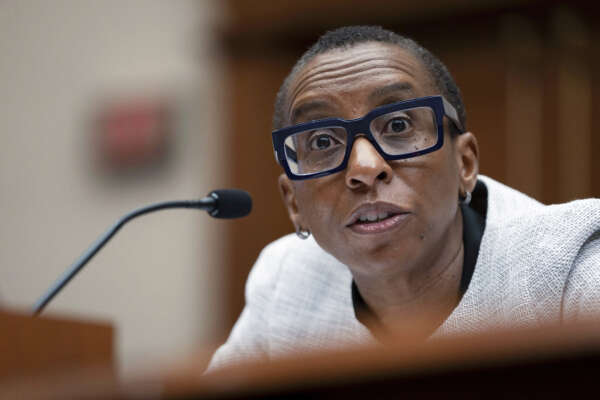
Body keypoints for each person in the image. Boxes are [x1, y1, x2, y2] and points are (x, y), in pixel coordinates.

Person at [208, 26, 600, 370]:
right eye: (323, 141)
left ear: (464, 163)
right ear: (294, 203)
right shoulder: (286, 282)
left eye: (398, 125)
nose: (364, 167)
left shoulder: (568, 267)